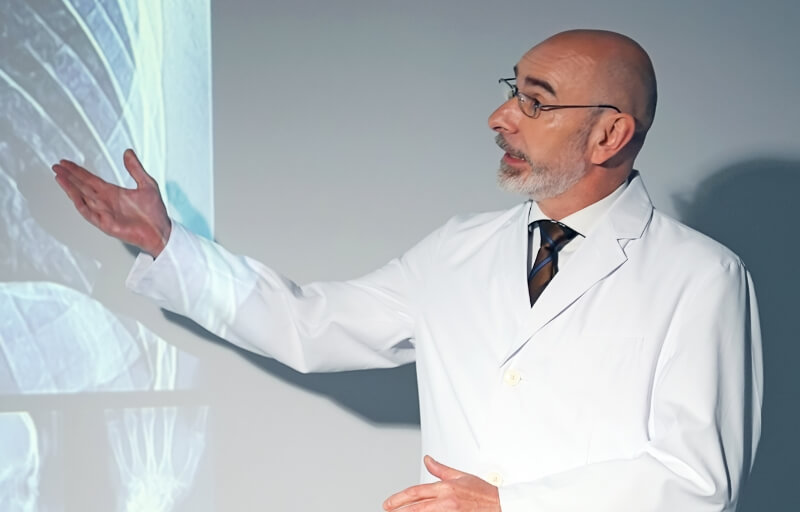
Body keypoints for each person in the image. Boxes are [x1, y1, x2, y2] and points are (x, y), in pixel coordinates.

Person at [52, 29, 762, 512]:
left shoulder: (701, 276)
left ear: (609, 134)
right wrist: (167, 244)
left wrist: (510, 505)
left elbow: (699, 483)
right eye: (511, 90)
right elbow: (308, 324)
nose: (500, 116)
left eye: (535, 102)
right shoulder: (458, 249)